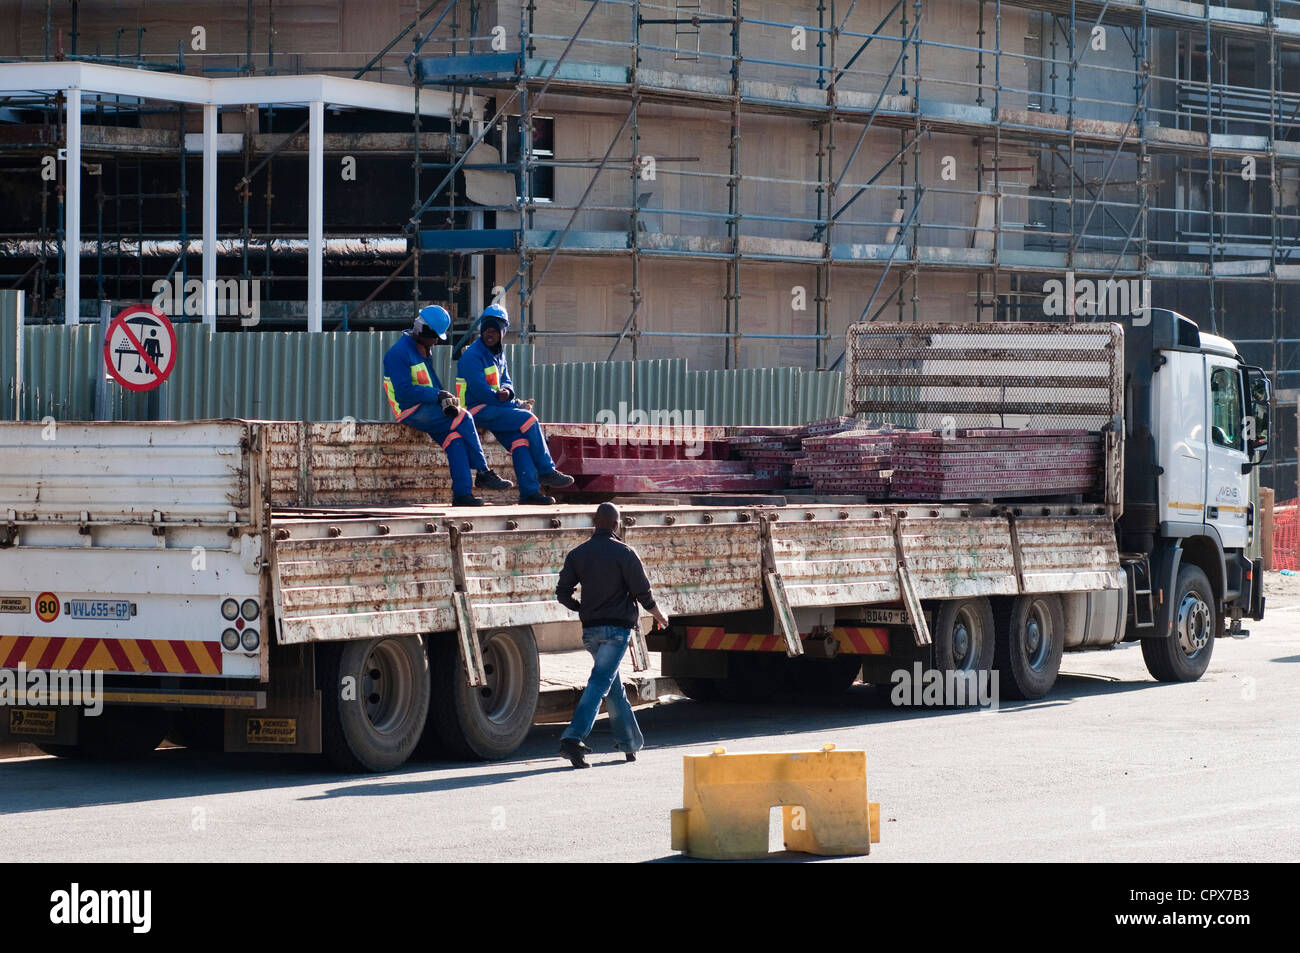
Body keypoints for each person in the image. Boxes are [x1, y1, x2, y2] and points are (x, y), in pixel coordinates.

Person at [555, 502, 669, 768]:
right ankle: (572, 739)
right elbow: (643, 594)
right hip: (617, 632)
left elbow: (562, 593)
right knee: (599, 682)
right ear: (617, 525)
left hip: (591, 631)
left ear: (595, 523)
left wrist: (580, 607)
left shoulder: (577, 554)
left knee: (612, 686)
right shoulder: (626, 553)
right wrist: (660, 617)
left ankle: (629, 744)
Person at [383, 305, 514, 506]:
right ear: (423, 332)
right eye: (435, 337)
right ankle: (483, 471)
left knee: (456, 440)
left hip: (427, 407)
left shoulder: (423, 348)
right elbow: (403, 393)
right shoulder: (398, 353)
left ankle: (462, 495)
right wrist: (438, 395)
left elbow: (432, 382)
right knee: (465, 417)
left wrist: (445, 399)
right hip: (409, 410)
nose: (436, 341)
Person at [457, 303, 573, 505]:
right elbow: (479, 391)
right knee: (529, 419)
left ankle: (529, 493)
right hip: (478, 410)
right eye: (486, 330)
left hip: (496, 410)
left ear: (503, 332)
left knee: (521, 442)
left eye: (494, 331)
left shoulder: (499, 353)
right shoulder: (472, 356)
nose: (489, 334)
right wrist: (508, 402)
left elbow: (507, 381)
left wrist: (508, 392)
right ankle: (546, 470)